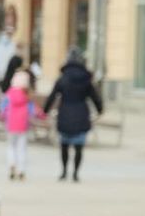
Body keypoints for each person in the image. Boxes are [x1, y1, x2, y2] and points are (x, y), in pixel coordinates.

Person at [44, 46, 103, 182]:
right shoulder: (86, 79)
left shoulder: (63, 78)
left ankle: (64, 172)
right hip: (81, 113)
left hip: (65, 113)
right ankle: (75, 173)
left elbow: (52, 96)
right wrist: (100, 110)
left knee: (64, 146)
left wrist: (45, 111)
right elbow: (95, 97)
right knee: (78, 147)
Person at [0, 70, 44, 181]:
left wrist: (3, 116)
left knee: (11, 146)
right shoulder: (26, 96)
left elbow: (3, 109)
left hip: (11, 124)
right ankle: (21, 170)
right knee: (22, 148)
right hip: (23, 125)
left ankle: (12, 164)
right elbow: (34, 111)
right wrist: (42, 115)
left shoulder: (9, 94)